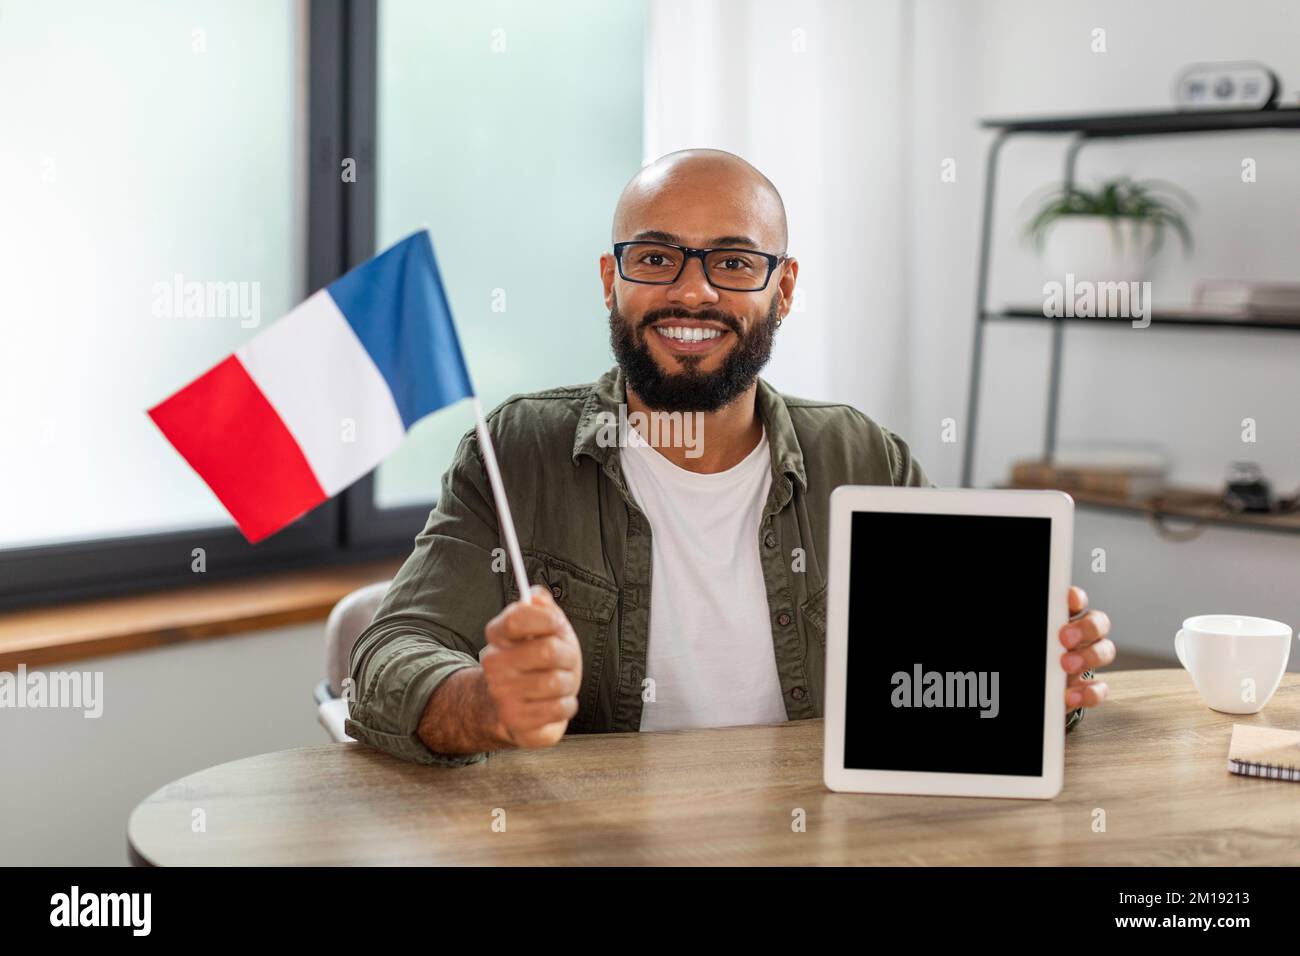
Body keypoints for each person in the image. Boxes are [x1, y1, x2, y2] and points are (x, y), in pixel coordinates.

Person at [345, 149, 1114, 766]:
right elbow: (385, 657)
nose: (694, 293)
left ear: (783, 291)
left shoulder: (861, 454)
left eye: (735, 263)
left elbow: (963, 670)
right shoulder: (519, 452)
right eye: (656, 259)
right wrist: (485, 703)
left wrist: (1040, 683)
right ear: (611, 280)